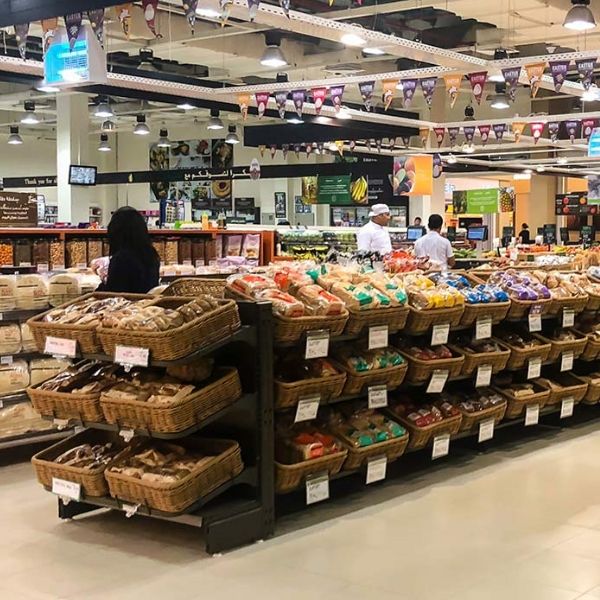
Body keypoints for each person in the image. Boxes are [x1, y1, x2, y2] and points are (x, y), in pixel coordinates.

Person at [96, 206, 160, 294]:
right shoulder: (151, 254)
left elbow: (113, 293)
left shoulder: (122, 258)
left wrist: (101, 285)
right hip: (147, 304)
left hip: (128, 305)